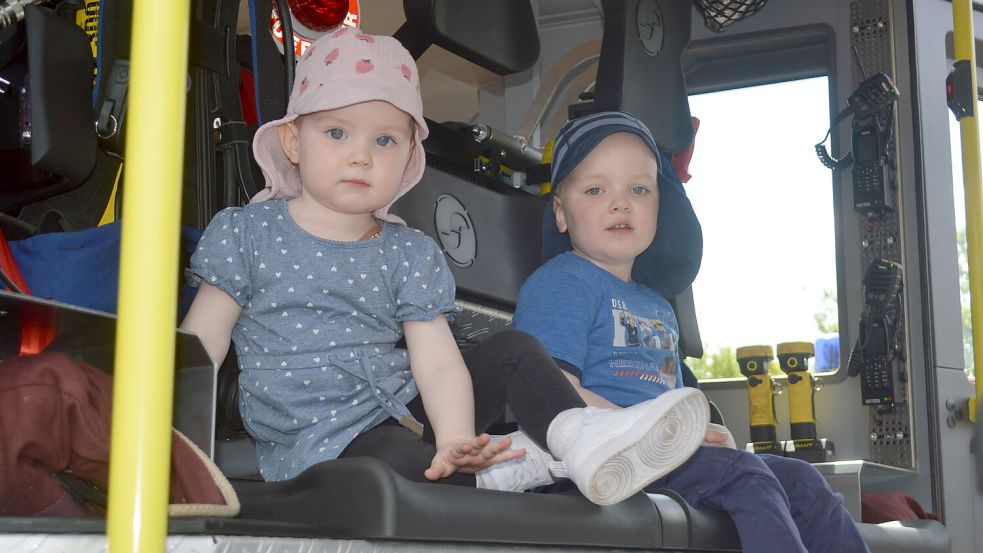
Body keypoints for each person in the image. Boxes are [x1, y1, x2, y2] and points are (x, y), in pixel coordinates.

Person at [180, 29, 710, 505]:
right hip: (317, 440)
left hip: (404, 414)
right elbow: (201, 344)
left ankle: (577, 440)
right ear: (294, 142)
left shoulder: (407, 251)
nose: (361, 156)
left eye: (384, 140)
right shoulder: (249, 234)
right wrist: (171, 442)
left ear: (409, 156)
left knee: (513, 350)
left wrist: (455, 438)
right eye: (337, 133)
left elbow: (436, 363)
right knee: (389, 462)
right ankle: (521, 467)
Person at [513, 111, 871, 552]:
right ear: (561, 213)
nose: (620, 203)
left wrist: (699, 429)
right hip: (592, 464)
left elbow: (671, 400)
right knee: (745, 474)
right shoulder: (561, 284)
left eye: (639, 189)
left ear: (659, 207)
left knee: (801, 478)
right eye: (595, 189)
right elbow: (549, 394)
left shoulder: (657, 305)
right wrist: (658, 431)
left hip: (662, 458)